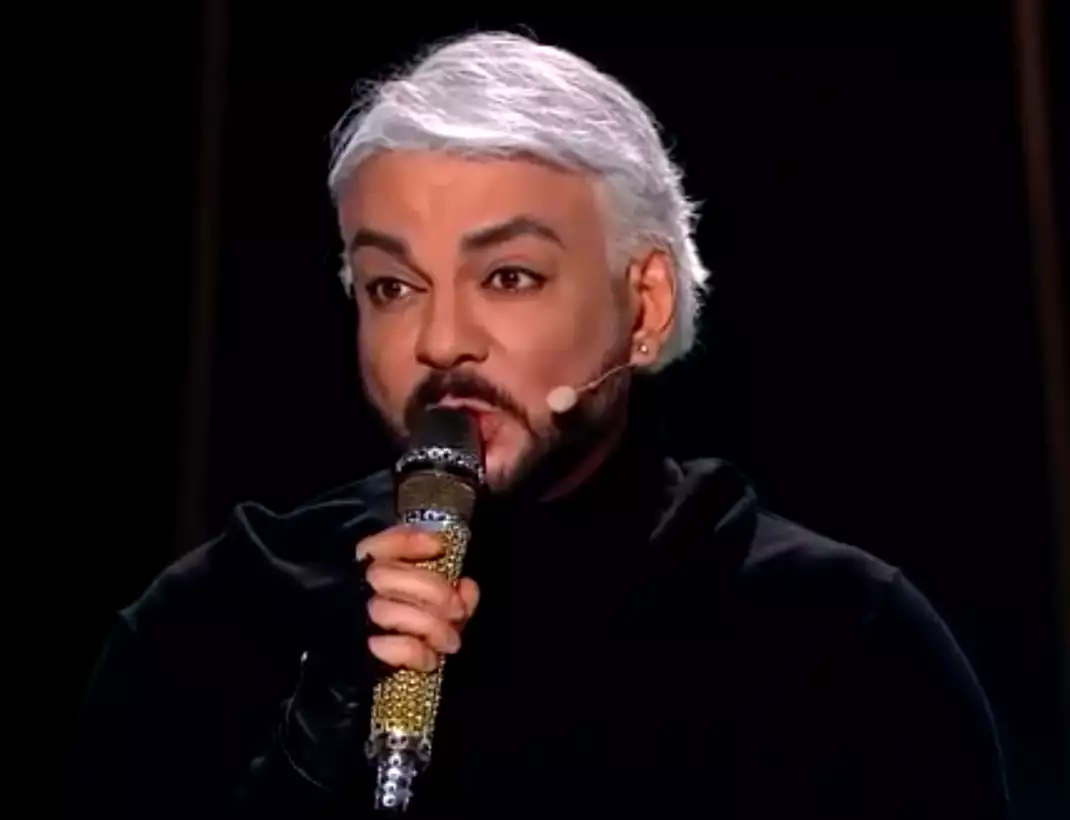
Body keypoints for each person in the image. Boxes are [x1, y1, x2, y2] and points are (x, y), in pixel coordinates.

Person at [74, 31, 1012, 819]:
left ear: (644, 306)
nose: (441, 341)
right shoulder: (214, 625)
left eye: (508, 277)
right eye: (392, 287)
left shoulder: (838, 647)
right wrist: (313, 749)